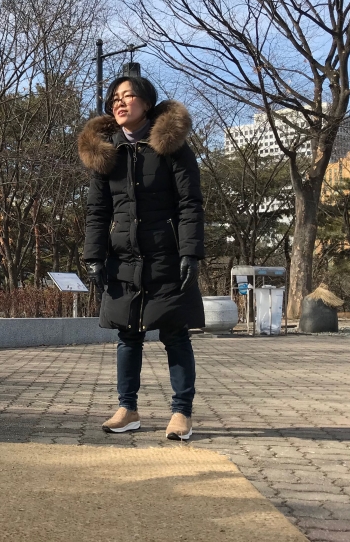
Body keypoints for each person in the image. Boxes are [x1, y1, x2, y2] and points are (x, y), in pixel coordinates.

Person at [78, 64, 204, 440]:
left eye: (128, 96)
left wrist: (190, 253)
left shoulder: (174, 148)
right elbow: (97, 211)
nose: (120, 103)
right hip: (123, 259)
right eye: (115, 98)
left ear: (147, 102)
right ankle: (127, 408)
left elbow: (190, 204)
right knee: (127, 336)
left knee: (175, 334)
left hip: (166, 256)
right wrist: (94, 257)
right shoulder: (107, 154)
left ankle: (182, 413)